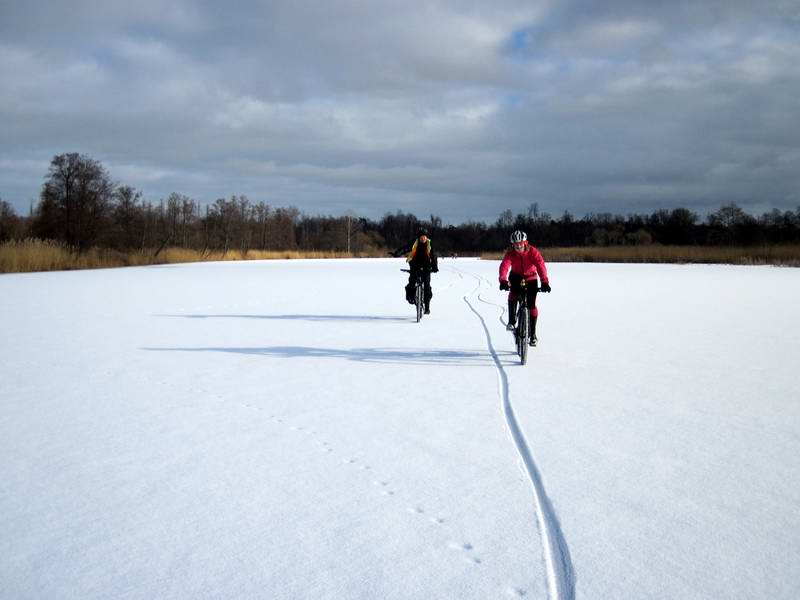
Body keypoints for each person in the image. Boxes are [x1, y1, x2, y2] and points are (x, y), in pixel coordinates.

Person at [499, 230, 551, 345]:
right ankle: (511, 321)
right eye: (516, 244)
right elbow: (504, 266)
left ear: (525, 242)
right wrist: (503, 280)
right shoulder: (510, 253)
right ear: (512, 245)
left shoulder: (533, 252)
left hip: (531, 278)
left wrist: (544, 282)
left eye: (520, 243)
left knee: (531, 305)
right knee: (513, 295)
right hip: (516, 277)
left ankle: (532, 334)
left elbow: (540, 265)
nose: (518, 246)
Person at [390, 227, 439, 314]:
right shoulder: (414, 243)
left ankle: (427, 307)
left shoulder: (429, 244)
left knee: (427, 286)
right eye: (421, 237)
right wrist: (397, 253)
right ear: (418, 237)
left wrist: (434, 267)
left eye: (424, 237)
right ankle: (411, 297)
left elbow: (433, 256)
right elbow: (405, 248)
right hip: (415, 265)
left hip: (426, 267)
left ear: (426, 237)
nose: (423, 238)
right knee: (412, 282)